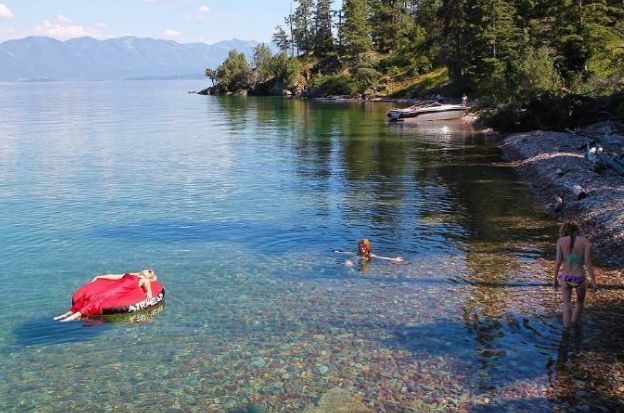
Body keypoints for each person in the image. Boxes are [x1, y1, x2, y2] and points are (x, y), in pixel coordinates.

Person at [54, 269, 158, 322]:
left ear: (150, 276)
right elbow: (114, 276)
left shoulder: (144, 280)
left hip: (117, 291)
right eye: (148, 269)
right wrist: (100, 276)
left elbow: (148, 291)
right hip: (111, 288)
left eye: (150, 271)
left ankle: (70, 318)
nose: (147, 269)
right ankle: (65, 314)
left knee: (95, 301)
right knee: (90, 297)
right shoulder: (132, 274)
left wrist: (148, 298)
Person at [553, 221, 596, 328]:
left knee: (566, 304)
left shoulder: (560, 241)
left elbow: (558, 261)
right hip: (580, 277)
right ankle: (574, 324)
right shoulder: (585, 242)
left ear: (563, 230)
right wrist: (594, 281)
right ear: (577, 230)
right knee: (580, 302)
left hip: (566, 277)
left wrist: (554, 279)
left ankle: (566, 330)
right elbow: (587, 263)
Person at [335, 239, 405, 263]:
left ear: (367, 248)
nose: (362, 249)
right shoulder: (357, 253)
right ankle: (350, 263)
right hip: (357, 260)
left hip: (365, 262)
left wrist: (394, 259)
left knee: (358, 260)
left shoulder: (370, 255)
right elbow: (350, 253)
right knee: (353, 259)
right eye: (360, 248)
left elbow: (381, 257)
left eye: (364, 248)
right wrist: (340, 252)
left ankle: (351, 263)